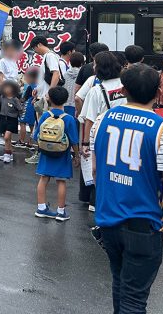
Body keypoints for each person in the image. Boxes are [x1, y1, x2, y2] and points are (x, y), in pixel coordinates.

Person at [91, 64, 163, 314]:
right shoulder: (162, 129)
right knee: (134, 298)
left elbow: (96, 170)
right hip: (143, 222)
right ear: (158, 92)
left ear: (124, 91)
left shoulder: (102, 120)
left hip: (108, 219)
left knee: (120, 283)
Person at [80, 51, 126, 212]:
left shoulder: (97, 90)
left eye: (95, 64)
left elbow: (89, 119)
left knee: (99, 170)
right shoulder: (126, 85)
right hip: (125, 134)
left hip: (103, 136)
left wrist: (85, 143)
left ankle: (98, 202)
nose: (93, 67)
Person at [32, 86, 79, 221]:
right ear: (65, 100)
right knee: (61, 181)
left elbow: (36, 136)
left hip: (46, 152)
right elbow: (74, 141)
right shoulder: (69, 119)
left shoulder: (45, 115)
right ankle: (60, 211)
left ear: (50, 100)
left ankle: (41, 208)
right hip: (62, 154)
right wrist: (76, 156)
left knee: (43, 179)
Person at [0, 40, 20, 145]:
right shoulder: (2, 61)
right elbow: (0, 76)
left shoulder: (14, 62)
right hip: (6, 90)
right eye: (10, 50)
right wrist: (4, 89)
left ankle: (7, 136)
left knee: (11, 114)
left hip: (14, 90)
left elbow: (15, 77)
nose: (12, 52)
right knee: (2, 113)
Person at [0, 80, 24, 163]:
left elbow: (20, 109)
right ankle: (8, 153)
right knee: (7, 139)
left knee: (6, 137)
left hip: (12, 120)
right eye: (5, 88)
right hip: (3, 118)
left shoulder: (15, 99)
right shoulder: (2, 97)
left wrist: (20, 118)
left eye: (9, 88)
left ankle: (7, 154)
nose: (7, 89)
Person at [17, 67, 38, 151]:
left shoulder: (30, 87)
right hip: (35, 107)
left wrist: (18, 100)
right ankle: (30, 142)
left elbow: (24, 98)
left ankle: (21, 141)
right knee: (32, 125)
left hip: (28, 106)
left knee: (22, 123)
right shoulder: (38, 86)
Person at [63, 51, 85, 118]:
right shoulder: (82, 75)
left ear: (70, 62)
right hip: (77, 105)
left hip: (65, 104)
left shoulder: (65, 74)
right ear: (82, 63)